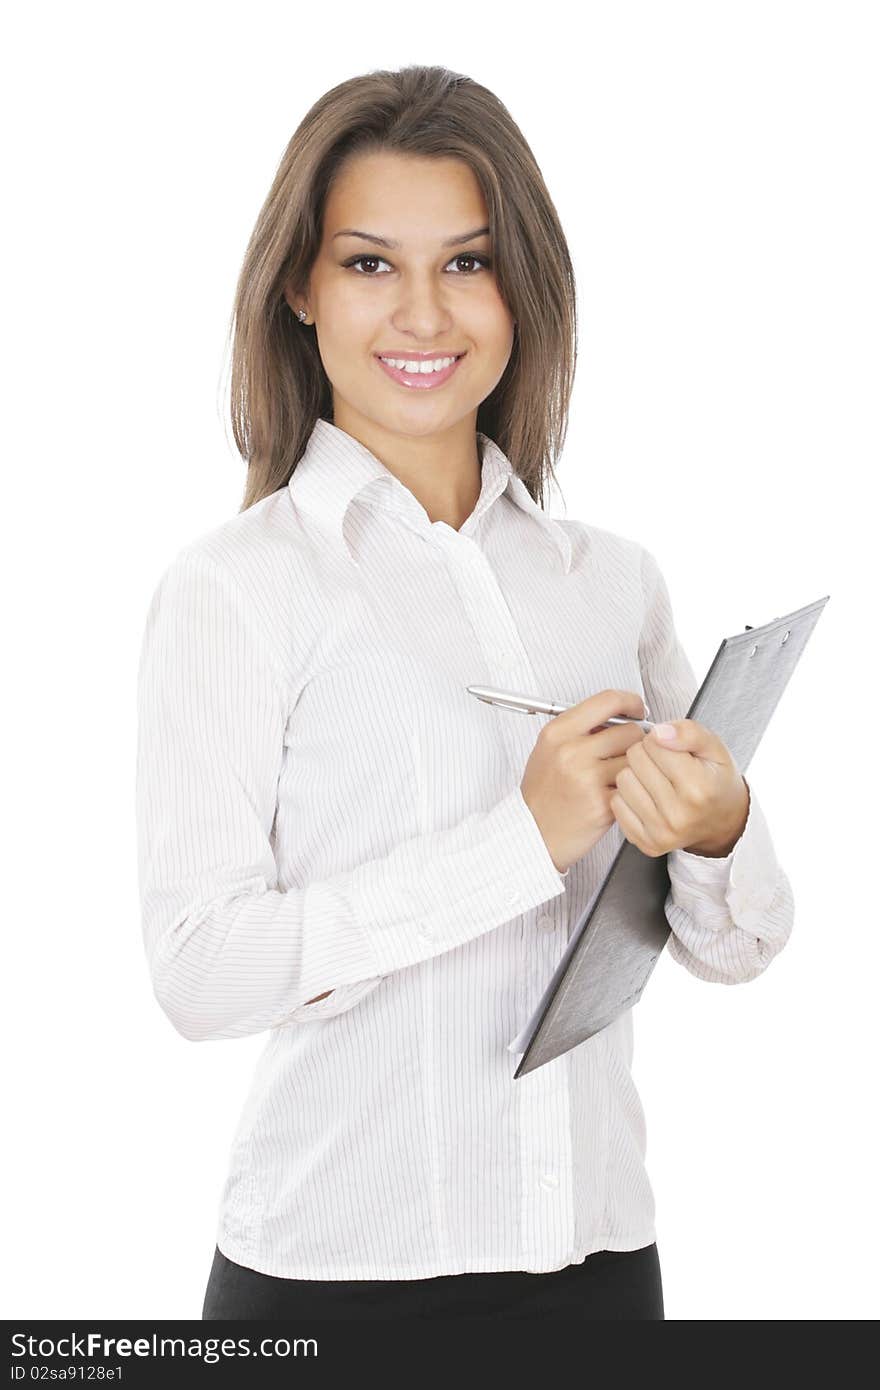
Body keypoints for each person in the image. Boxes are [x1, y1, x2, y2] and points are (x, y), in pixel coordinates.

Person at [135, 63, 794, 1322]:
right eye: (371, 263)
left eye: (470, 263)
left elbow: (742, 944)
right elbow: (197, 971)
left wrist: (718, 827)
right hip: (337, 1285)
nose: (423, 315)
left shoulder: (610, 581)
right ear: (300, 287)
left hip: (602, 1267)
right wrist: (520, 842)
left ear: (520, 289)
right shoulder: (235, 590)